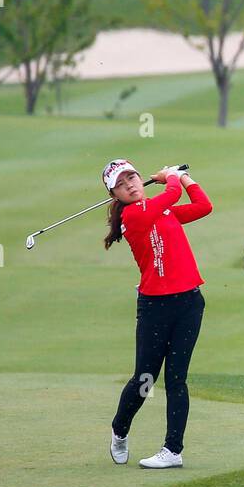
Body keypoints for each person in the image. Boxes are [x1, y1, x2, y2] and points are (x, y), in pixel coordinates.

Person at [100, 159, 213, 468]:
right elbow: (171, 195)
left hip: (189, 303)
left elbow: (203, 206)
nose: (131, 185)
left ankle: (172, 451)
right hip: (155, 308)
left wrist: (185, 179)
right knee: (146, 379)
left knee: (177, 379)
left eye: (132, 178)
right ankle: (120, 430)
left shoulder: (159, 209)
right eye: (122, 185)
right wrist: (171, 178)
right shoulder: (132, 216)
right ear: (116, 196)